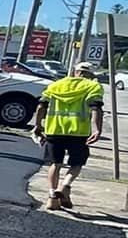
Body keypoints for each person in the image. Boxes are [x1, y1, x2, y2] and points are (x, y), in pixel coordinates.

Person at [32, 62, 104, 210]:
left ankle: (52, 197)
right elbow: (95, 108)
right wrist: (97, 130)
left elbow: (41, 106)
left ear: (75, 72)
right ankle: (65, 186)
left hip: (54, 130)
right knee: (77, 163)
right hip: (78, 132)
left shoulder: (56, 85)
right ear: (90, 75)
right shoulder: (92, 86)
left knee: (55, 164)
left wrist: (38, 125)